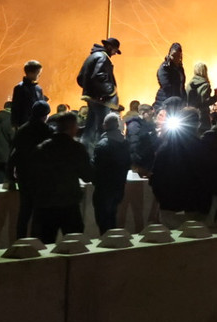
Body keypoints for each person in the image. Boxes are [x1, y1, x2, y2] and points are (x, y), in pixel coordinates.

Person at [34, 111, 94, 244]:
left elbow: (34, 174)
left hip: (45, 204)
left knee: (45, 245)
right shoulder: (76, 148)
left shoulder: (42, 148)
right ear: (72, 127)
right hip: (69, 203)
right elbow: (87, 176)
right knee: (75, 244)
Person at [149, 107, 209, 225]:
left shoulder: (165, 147)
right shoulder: (202, 148)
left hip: (170, 205)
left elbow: (155, 178)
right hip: (194, 206)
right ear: (197, 124)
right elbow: (207, 178)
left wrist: (162, 198)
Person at [9, 100, 52, 238]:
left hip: (24, 176)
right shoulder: (47, 131)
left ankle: (20, 241)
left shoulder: (22, 129)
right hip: (41, 178)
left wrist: (10, 176)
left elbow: (13, 154)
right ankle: (35, 242)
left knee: (24, 212)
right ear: (45, 115)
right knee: (38, 213)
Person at [77, 37, 121, 155]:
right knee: (102, 129)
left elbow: (80, 78)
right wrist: (110, 91)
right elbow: (99, 76)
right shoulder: (102, 58)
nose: (114, 54)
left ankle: (84, 154)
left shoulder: (93, 56)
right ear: (109, 47)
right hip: (101, 100)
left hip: (93, 98)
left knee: (89, 129)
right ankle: (99, 155)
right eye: (115, 51)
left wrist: (89, 89)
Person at [93, 112, 131, 232]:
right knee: (112, 217)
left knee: (103, 220)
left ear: (105, 125)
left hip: (104, 188)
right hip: (119, 186)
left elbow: (97, 167)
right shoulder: (124, 143)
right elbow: (128, 163)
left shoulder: (102, 145)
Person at [11, 60, 47, 128]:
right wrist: (16, 125)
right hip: (25, 125)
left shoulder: (38, 89)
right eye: (38, 73)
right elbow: (15, 108)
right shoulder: (20, 88)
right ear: (30, 73)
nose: (39, 75)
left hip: (38, 125)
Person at [127, 104, 159, 176]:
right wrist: (137, 161)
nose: (152, 117)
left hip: (146, 162)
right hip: (140, 163)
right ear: (143, 113)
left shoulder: (147, 125)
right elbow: (134, 145)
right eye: (151, 114)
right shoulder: (135, 125)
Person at [155, 42, 186, 106]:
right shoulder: (164, 68)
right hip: (165, 101)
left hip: (177, 102)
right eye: (173, 55)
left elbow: (182, 85)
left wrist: (184, 99)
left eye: (178, 56)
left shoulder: (180, 68)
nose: (175, 58)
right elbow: (166, 86)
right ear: (169, 54)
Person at [187, 63, 216, 130]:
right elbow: (204, 101)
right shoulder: (205, 84)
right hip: (203, 115)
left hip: (190, 114)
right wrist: (216, 97)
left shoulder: (190, 84)